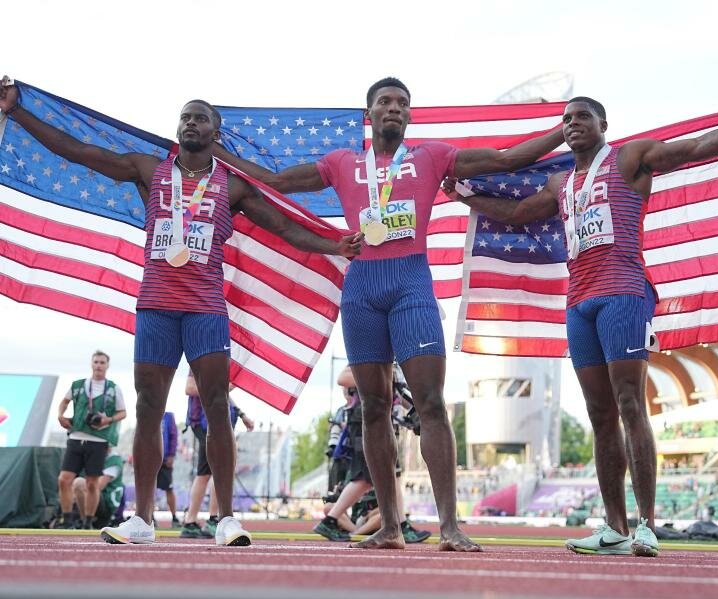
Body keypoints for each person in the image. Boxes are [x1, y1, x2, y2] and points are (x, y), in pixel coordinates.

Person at [0, 80, 363, 546]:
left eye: (200, 117)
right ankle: (144, 520)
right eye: (185, 117)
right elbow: (77, 151)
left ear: (215, 132)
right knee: (149, 407)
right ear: (178, 128)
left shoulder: (232, 187)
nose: (190, 123)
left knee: (217, 407)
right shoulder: (148, 170)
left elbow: (285, 229)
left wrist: (334, 245)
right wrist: (21, 113)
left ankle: (227, 518)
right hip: (155, 305)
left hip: (205, 308)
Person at [214, 76, 564, 551]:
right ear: (370, 114)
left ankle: (449, 526)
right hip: (361, 288)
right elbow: (276, 182)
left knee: (431, 404)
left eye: (402, 103)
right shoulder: (341, 163)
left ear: (410, 115)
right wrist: (220, 153)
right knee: (374, 409)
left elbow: (506, 160)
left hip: (411, 285)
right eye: (385, 102)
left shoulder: (432, 157)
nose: (394, 108)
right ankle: (392, 527)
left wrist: (563, 130)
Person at [446, 95, 718, 557]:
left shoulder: (630, 158)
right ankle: (613, 527)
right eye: (567, 119)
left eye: (582, 118)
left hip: (625, 293)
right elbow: (516, 213)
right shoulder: (560, 182)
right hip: (579, 303)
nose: (573, 125)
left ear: (603, 124)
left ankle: (646, 525)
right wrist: (463, 195)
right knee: (599, 415)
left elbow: (696, 148)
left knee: (630, 402)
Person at [313, 366, 430, 544]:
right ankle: (331, 520)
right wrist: (378, 373)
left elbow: (400, 392)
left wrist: (419, 412)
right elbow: (343, 379)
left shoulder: (394, 366)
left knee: (394, 474)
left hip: (383, 423)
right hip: (364, 422)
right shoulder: (373, 358)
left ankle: (401, 525)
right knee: (365, 477)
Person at [54, 350, 126, 529]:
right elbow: (64, 401)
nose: (99, 366)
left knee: (92, 483)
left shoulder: (113, 388)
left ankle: (87, 521)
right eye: (96, 362)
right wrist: (61, 415)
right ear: (91, 364)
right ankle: (67, 519)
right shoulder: (78, 385)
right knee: (64, 479)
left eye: (102, 362)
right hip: (76, 436)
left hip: (99, 440)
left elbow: (123, 412)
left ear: (107, 366)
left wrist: (107, 419)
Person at [181, 371, 254, 539]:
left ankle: (192, 521)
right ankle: (212, 519)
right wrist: (224, 387)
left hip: (212, 421)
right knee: (218, 469)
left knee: (206, 472)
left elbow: (222, 394)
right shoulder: (201, 361)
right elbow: (190, 388)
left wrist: (241, 414)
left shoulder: (219, 360)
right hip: (204, 421)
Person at [71, 447, 126, 529]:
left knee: (79, 483)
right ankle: (79, 521)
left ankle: (85, 522)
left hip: (106, 505)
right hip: (94, 499)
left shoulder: (114, 460)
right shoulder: (90, 456)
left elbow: (98, 486)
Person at [157, 411, 179, 528]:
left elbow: (174, 435)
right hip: (151, 459)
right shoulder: (147, 412)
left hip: (165, 459)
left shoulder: (168, 416)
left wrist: (171, 454)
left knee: (169, 489)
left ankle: (174, 517)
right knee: (149, 489)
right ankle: (148, 517)